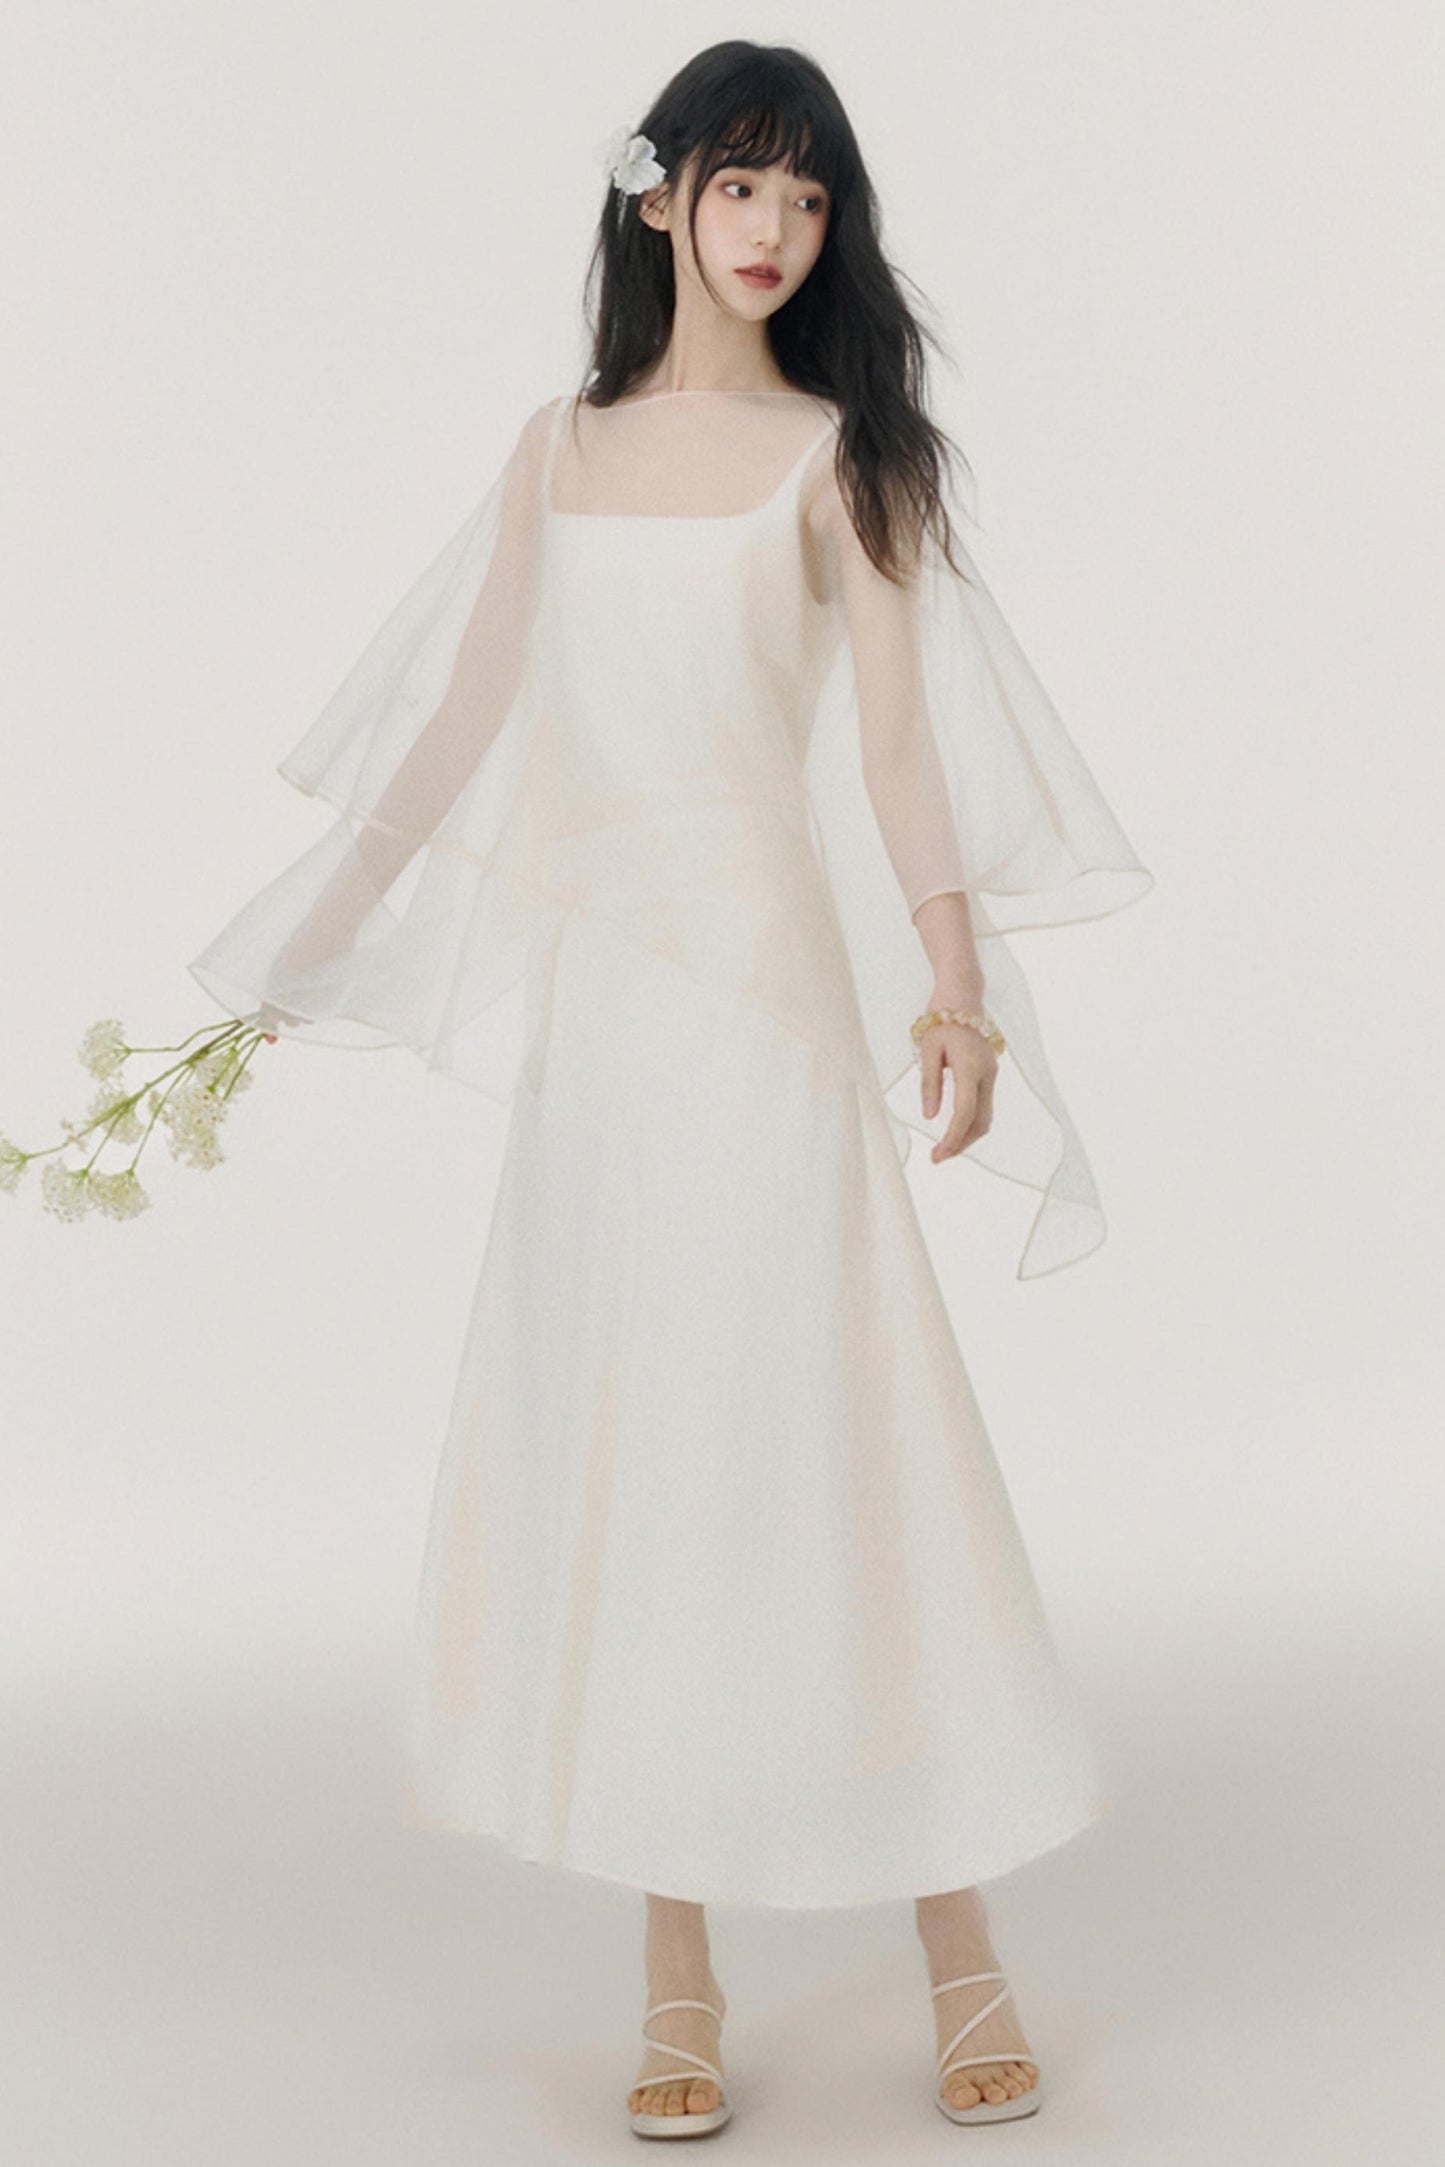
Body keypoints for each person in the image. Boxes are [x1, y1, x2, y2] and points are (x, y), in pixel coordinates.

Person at [189, 38, 1151, 2140]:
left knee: (837, 1438)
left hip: (765, 1005)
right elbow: (462, 722)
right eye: (742, 186)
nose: (776, 230)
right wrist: (298, 948)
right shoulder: (557, 449)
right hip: (611, 1034)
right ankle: (676, 1973)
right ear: (659, 200)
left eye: (808, 199)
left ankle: (960, 1947)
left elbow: (894, 743)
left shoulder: (842, 457)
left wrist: (957, 981)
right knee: (643, 1470)